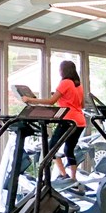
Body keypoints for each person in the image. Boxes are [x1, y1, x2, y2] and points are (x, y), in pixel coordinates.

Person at [22, 60, 86, 192]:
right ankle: (72, 179)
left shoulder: (65, 82)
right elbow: (82, 105)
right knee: (69, 150)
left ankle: (61, 176)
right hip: (80, 121)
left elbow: (51, 102)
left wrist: (30, 100)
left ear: (63, 70)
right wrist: (64, 99)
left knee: (51, 149)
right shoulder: (78, 84)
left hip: (68, 120)